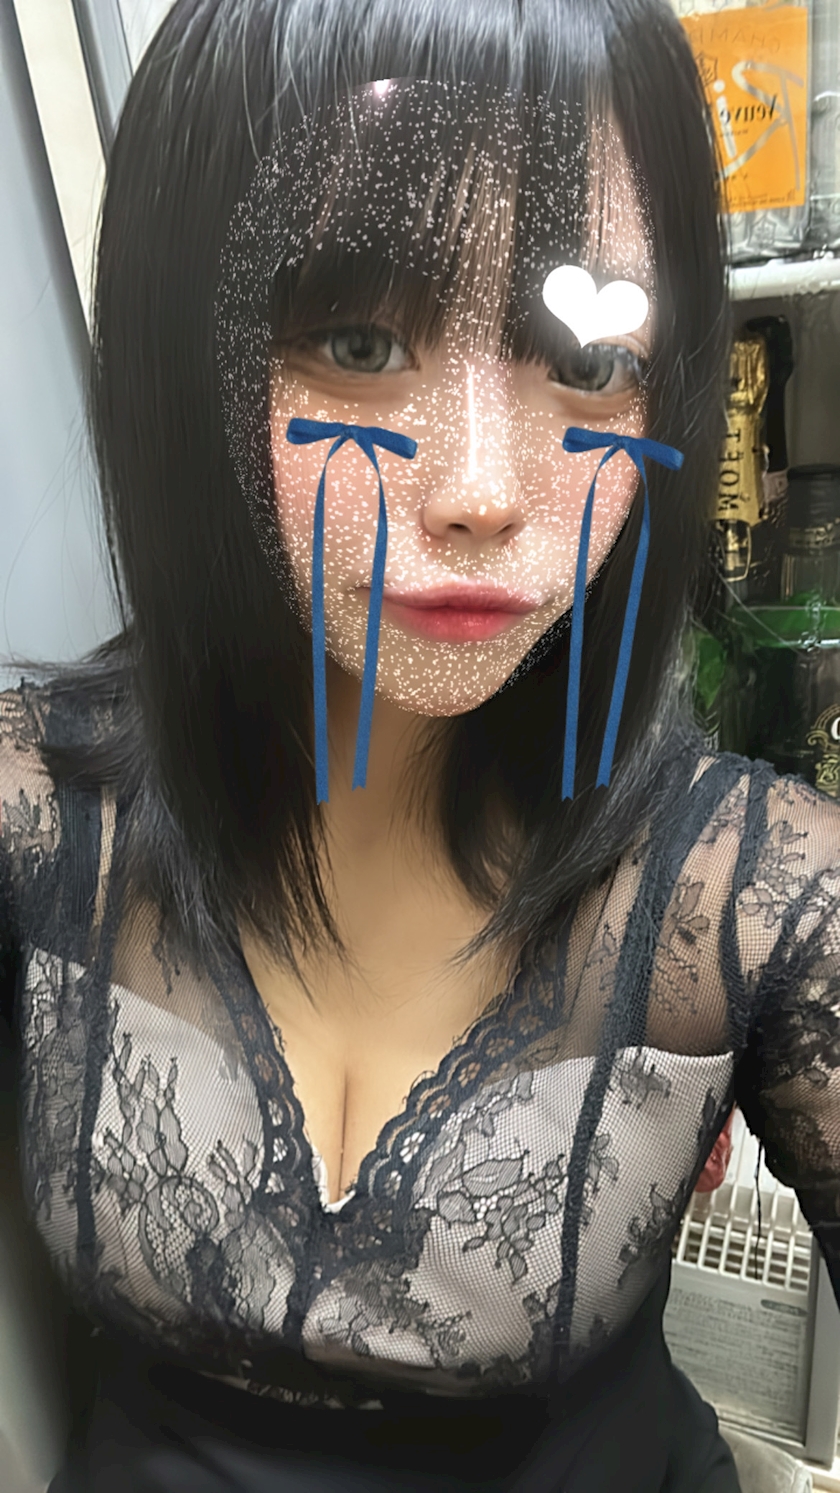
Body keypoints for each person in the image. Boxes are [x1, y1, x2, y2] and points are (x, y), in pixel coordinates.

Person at [0, 1, 838, 1489]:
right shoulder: (35, 803)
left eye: (588, 358)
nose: (480, 490)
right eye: (359, 338)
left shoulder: (757, 902)